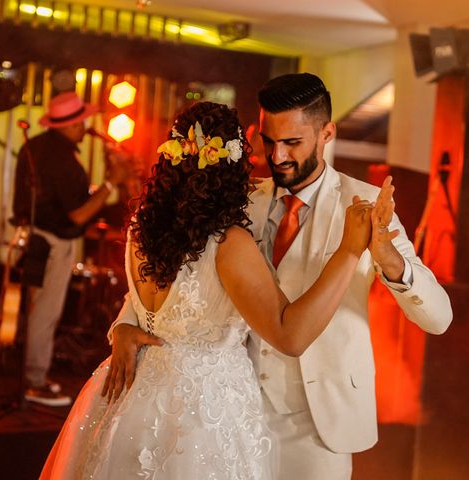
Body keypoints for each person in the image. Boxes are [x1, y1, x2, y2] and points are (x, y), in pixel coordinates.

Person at [106, 73, 453, 479]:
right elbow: (177, 281)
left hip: (318, 422)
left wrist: (389, 258)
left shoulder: (365, 203)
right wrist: (124, 327)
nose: (278, 156)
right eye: (269, 141)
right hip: (229, 412)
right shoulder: (236, 201)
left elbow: (440, 317)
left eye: (292, 143)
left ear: (327, 133)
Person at [39, 101, 376, 478]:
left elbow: (144, 304)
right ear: (232, 168)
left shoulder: (141, 228)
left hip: (134, 399)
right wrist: (349, 251)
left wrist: (122, 327)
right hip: (201, 414)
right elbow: (289, 335)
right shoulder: (228, 243)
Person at [12, 91, 129, 407]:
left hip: (36, 238)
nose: (84, 126)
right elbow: (76, 214)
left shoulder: (35, 147)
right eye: (80, 122)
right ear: (70, 124)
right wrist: (110, 183)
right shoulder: (62, 159)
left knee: (35, 311)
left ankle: (27, 377)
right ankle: (34, 382)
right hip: (53, 242)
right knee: (45, 314)